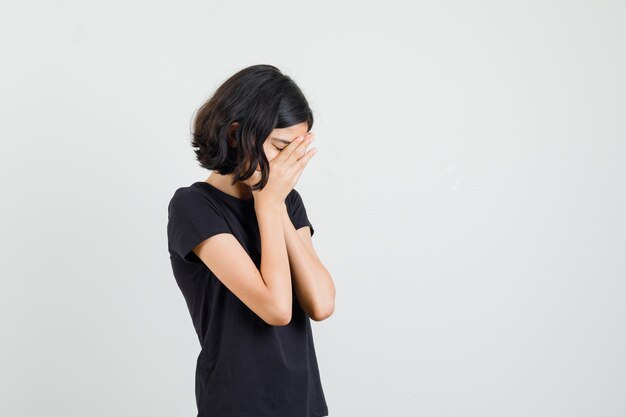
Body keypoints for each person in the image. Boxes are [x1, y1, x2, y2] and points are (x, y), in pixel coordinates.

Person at [166, 64, 335, 417]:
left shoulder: (286, 202)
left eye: (298, 150)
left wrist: (274, 202)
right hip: (235, 405)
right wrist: (269, 204)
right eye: (280, 147)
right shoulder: (194, 206)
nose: (291, 162)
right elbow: (275, 308)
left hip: (304, 404)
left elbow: (321, 304)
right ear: (235, 135)